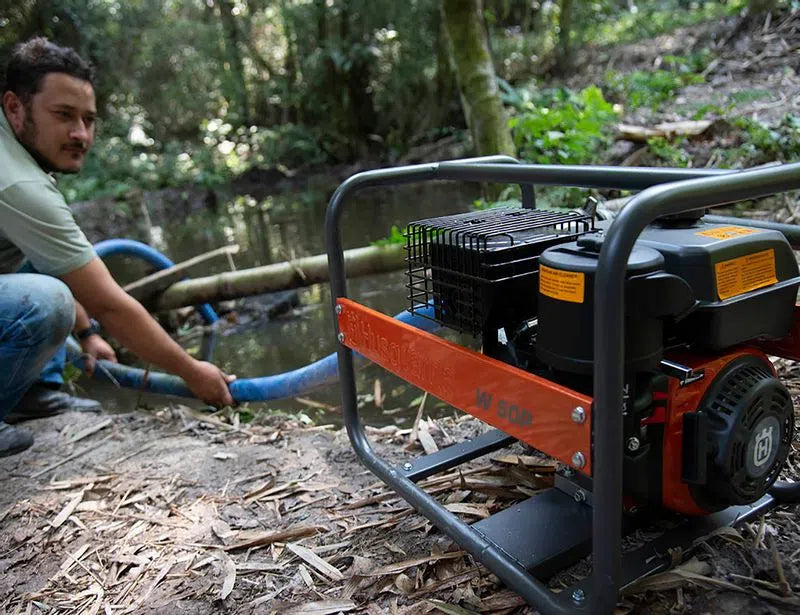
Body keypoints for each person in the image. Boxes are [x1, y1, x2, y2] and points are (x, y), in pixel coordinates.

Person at [0, 37, 235, 457]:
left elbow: (57, 259)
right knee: (45, 301)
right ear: (15, 106)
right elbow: (109, 302)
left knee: (42, 274)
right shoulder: (17, 181)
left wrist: (87, 333)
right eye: (64, 116)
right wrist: (193, 372)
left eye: (89, 120)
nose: (80, 134)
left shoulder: (17, 152)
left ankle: (30, 395)